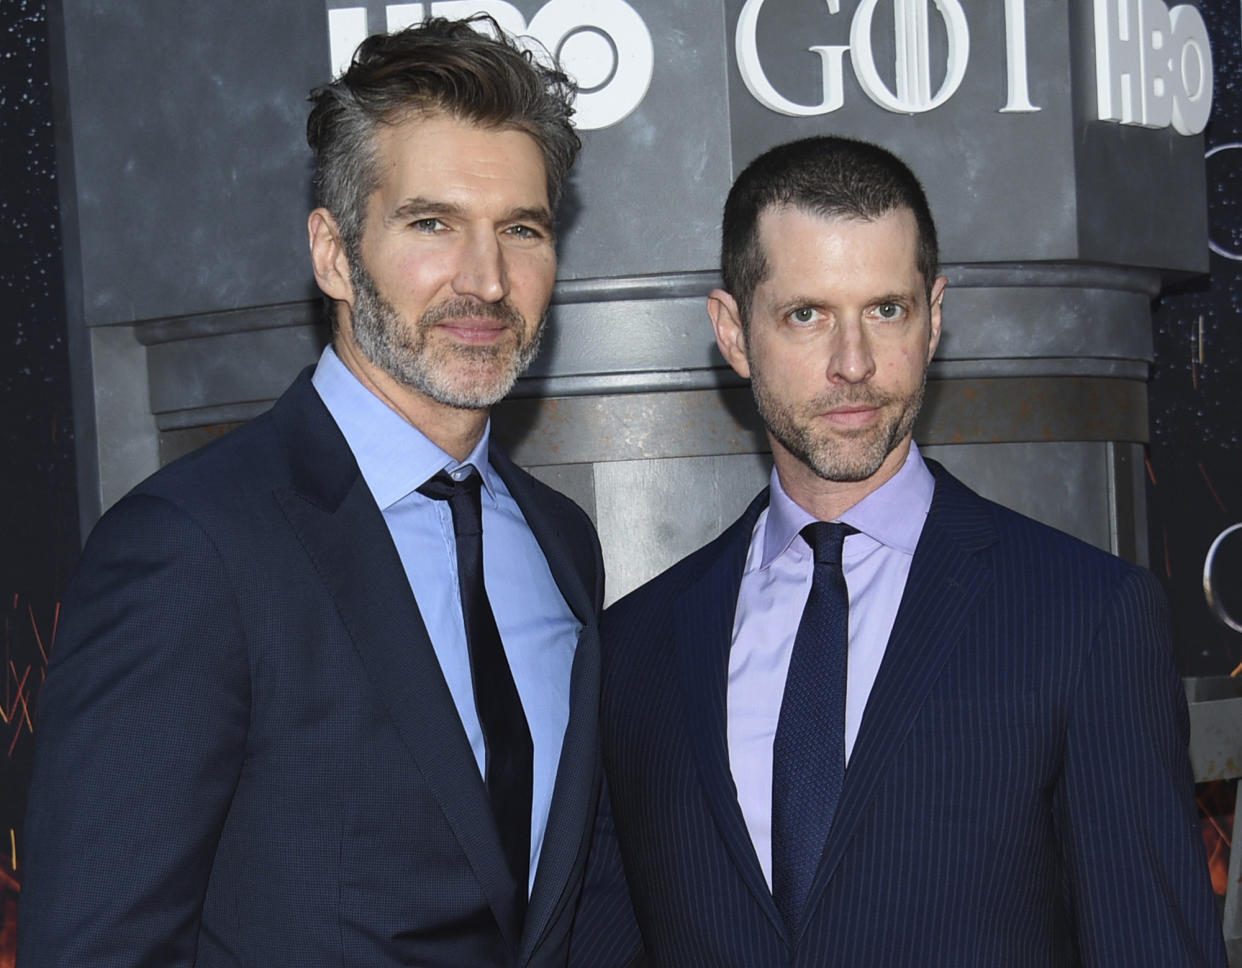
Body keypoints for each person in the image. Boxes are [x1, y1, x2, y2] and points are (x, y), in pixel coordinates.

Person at [20, 16, 603, 968]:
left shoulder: (559, 543)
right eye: (432, 223)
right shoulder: (192, 548)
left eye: (521, 231)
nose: (487, 280)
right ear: (333, 253)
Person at [570, 136, 1226, 966]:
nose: (855, 365)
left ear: (935, 316)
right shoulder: (636, 647)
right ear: (734, 332)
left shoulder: (1085, 618)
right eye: (806, 315)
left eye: (887, 310)